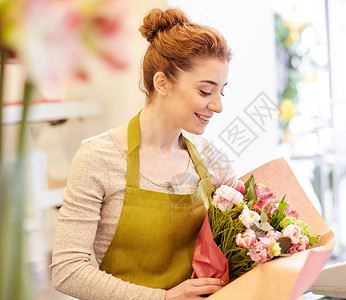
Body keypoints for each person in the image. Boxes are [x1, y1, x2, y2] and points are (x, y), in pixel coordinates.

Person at [50, 7, 235, 300]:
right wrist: (162, 298)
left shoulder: (210, 157)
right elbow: (67, 270)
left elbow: (241, 236)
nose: (217, 106)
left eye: (221, 92)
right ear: (162, 83)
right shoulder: (99, 158)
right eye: (204, 91)